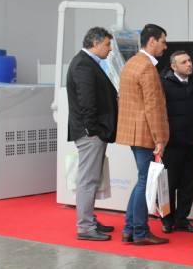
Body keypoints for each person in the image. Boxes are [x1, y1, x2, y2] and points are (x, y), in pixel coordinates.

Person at [116, 24, 170, 246]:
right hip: (146, 133)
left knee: (142, 181)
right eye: (163, 42)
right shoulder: (147, 67)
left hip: (135, 132)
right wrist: (160, 138)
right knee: (144, 183)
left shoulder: (131, 63)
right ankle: (140, 231)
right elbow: (153, 107)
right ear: (152, 41)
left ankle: (130, 229)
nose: (165, 47)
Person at [67, 26, 119, 241]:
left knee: (92, 178)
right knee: (88, 180)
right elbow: (86, 101)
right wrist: (93, 130)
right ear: (95, 44)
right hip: (90, 133)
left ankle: (89, 220)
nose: (110, 49)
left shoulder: (88, 63)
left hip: (92, 132)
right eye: (107, 44)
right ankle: (85, 227)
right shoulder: (83, 64)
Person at [159, 50, 193, 234]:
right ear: (173, 66)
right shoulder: (163, 83)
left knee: (188, 184)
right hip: (171, 144)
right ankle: (166, 220)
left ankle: (181, 219)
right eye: (184, 62)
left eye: (189, 60)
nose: (189, 64)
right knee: (168, 185)